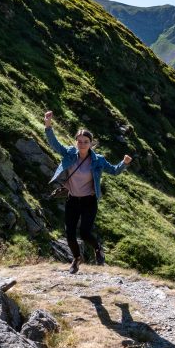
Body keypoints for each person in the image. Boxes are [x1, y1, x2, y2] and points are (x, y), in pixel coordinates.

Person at [44, 110, 132, 274]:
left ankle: (98, 248)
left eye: (85, 141)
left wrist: (124, 163)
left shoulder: (98, 160)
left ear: (91, 143)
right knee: (70, 233)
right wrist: (48, 125)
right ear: (76, 142)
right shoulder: (70, 153)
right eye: (79, 141)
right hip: (72, 200)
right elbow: (54, 144)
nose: (82, 144)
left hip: (89, 201)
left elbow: (113, 171)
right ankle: (76, 259)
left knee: (84, 233)